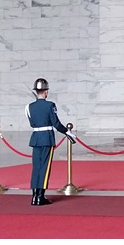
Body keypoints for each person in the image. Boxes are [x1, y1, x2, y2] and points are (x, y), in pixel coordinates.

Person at [26, 77, 76, 206]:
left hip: (35, 138)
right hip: (46, 138)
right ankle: (40, 197)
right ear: (46, 92)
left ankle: (34, 197)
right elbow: (56, 123)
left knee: (36, 168)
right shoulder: (50, 105)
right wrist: (66, 132)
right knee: (44, 168)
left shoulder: (29, 107)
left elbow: (32, 122)